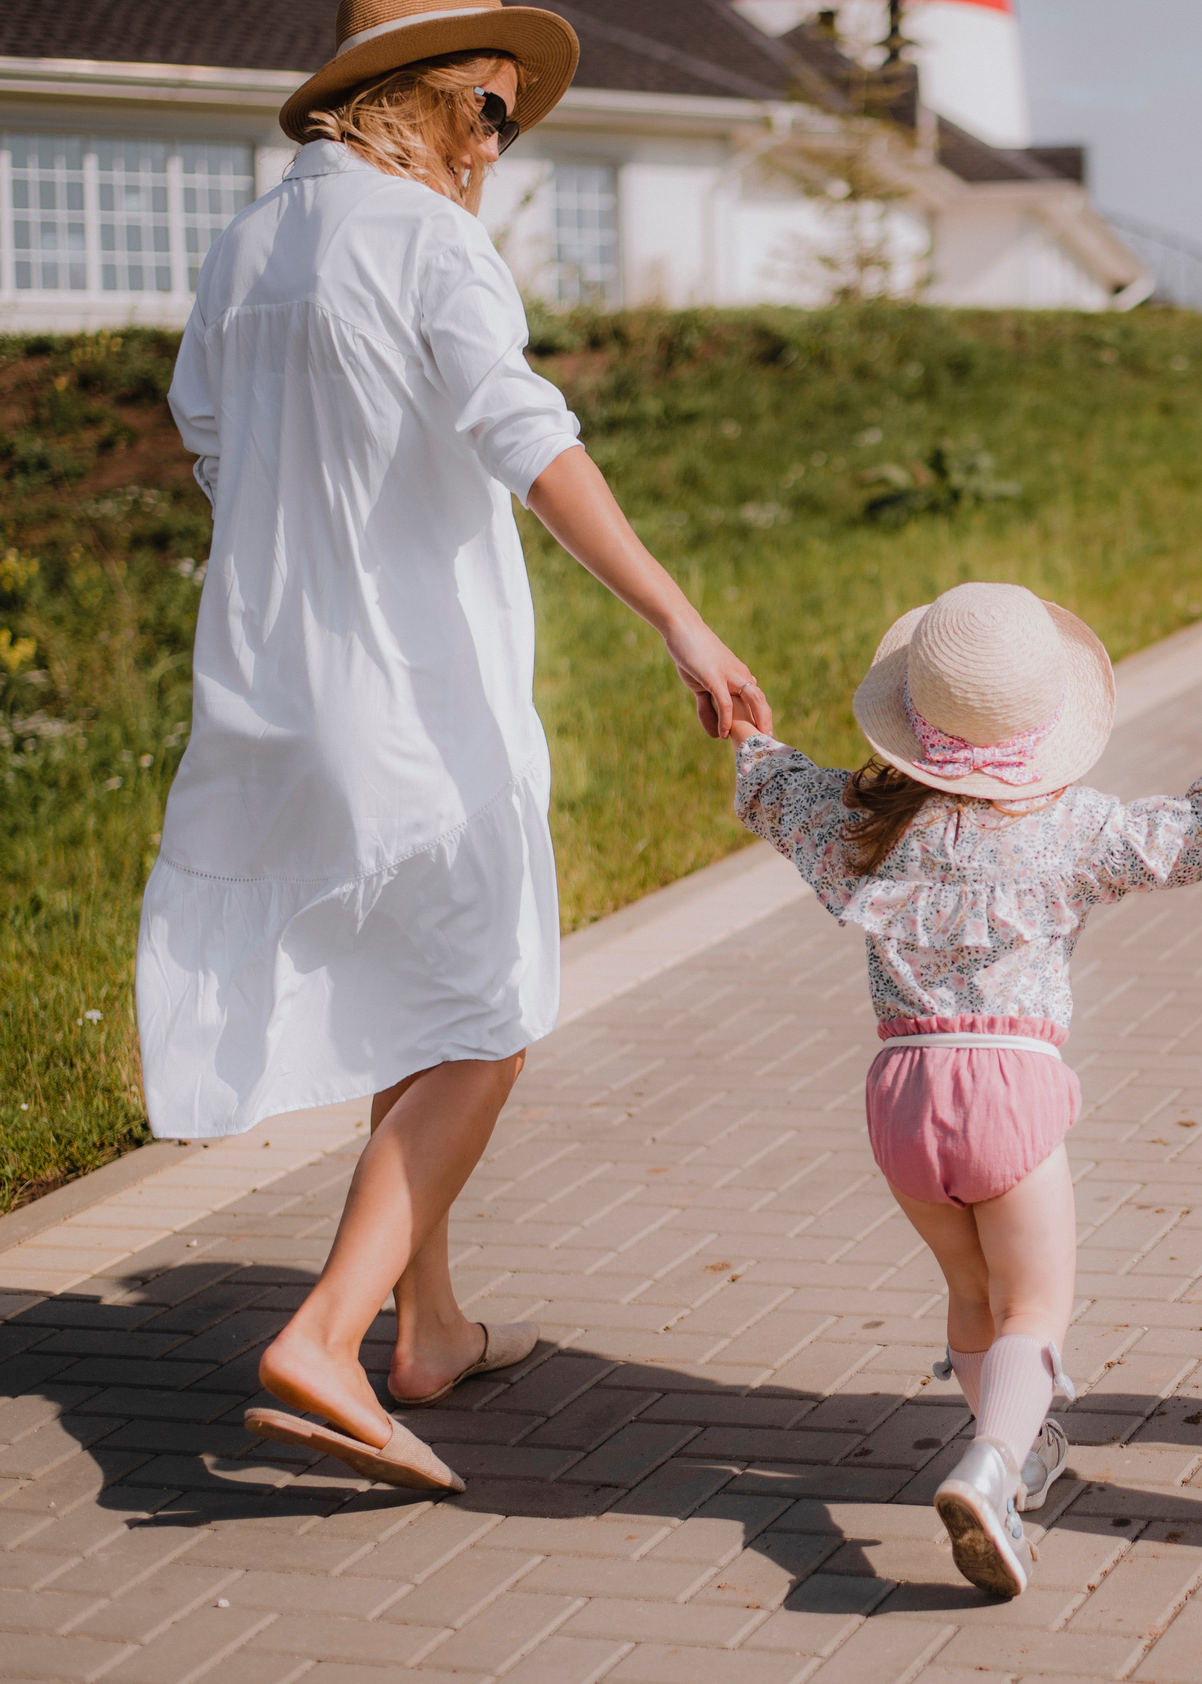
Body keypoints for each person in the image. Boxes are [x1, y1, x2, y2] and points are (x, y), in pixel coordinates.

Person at [141, 0, 770, 1494]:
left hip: (268, 688)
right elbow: (529, 438)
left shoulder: (243, 251)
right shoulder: (427, 243)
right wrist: (679, 617)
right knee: (491, 1006)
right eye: (490, 110)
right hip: (411, 696)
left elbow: (214, 447)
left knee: (420, 995)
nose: (501, 144)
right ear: (411, 98)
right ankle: (329, 1329)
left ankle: (430, 1325)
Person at [732, 581, 1202, 1596]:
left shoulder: (861, 823)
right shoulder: (1070, 829)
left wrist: (748, 737)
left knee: (973, 1292)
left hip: (900, 1093)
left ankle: (1014, 1444)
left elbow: (774, 793)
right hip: (1008, 1087)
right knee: (1036, 1306)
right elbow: (1193, 834)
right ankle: (990, 1468)